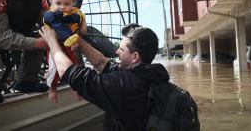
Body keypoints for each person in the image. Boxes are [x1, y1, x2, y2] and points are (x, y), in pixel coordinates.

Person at [39, 23, 170, 131]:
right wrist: (77, 39)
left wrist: (52, 41)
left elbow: (68, 72)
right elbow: (102, 63)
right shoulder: (148, 75)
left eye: (121, 49)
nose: (117, 51)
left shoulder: (124, 87)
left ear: (134, 57)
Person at [43, 0, 86, 103]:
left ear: (73, 4)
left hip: (70, 45)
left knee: (73, 65)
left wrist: (83, 27)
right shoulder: (50, 15)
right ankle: (52, 88)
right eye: (58, 3)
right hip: (55, 46)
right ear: (51, 1)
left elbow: (81, 19)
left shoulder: (76, 13)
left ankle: (74, 87)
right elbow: (51, 28)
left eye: (67, 4)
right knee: (53, 69)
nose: (62, 7)